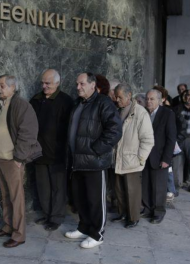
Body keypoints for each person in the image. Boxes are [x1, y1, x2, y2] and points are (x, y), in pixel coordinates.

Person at [64, 73, 122, 249]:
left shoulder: (103, 103)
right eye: (77, 83)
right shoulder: (77, 103)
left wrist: (96, 150)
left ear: (92, 85)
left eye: (81, 83)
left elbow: (115, 130)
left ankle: (97, 234)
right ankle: (84, 227)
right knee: (81, 198)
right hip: (77, 161)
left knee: (96, 200)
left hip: (95, 162)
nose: (78, 87)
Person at [0, 74, 42, 248]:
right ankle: (8, 226)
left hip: (12, 160)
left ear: (13, 87)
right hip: (1, 158)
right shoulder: (4, 104)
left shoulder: (20, 105)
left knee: (16, 197)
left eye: (2, 86)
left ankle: (19, 235)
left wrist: (19, 158)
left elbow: (28, 133)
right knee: (5, 195)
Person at [30, 69, 73, 231]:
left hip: (58, 153)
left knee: (57, 188)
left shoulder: (66, 101)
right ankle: (47, 214)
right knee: (43, 187)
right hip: (38, 152)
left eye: (47, 83)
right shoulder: (36, 99)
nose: (44, 86)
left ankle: (56, 217)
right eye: (42, 82)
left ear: (57, 83)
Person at [112, 84, 154, 229]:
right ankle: (122, 213)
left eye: (120, 97)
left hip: (132, 159)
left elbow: (148, 140)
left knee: (132, 191)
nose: (117, 100)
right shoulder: (117, 110)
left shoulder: (140, 113)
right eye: (116, 97)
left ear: (129, 96)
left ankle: (133, 217)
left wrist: (140, 159)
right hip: (118, 158)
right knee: (119, 189)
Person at [141, 90, 176, 224]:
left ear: (160, 100)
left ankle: (159, 212)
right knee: (146, 185)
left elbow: (171, 138)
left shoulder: (167, 114)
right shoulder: (144, 113)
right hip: (145, 156)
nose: (149, 101)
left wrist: (166, 159)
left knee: (159, 187)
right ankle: (148, 209)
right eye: (147, 99)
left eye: (152, 99)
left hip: (160, 156)